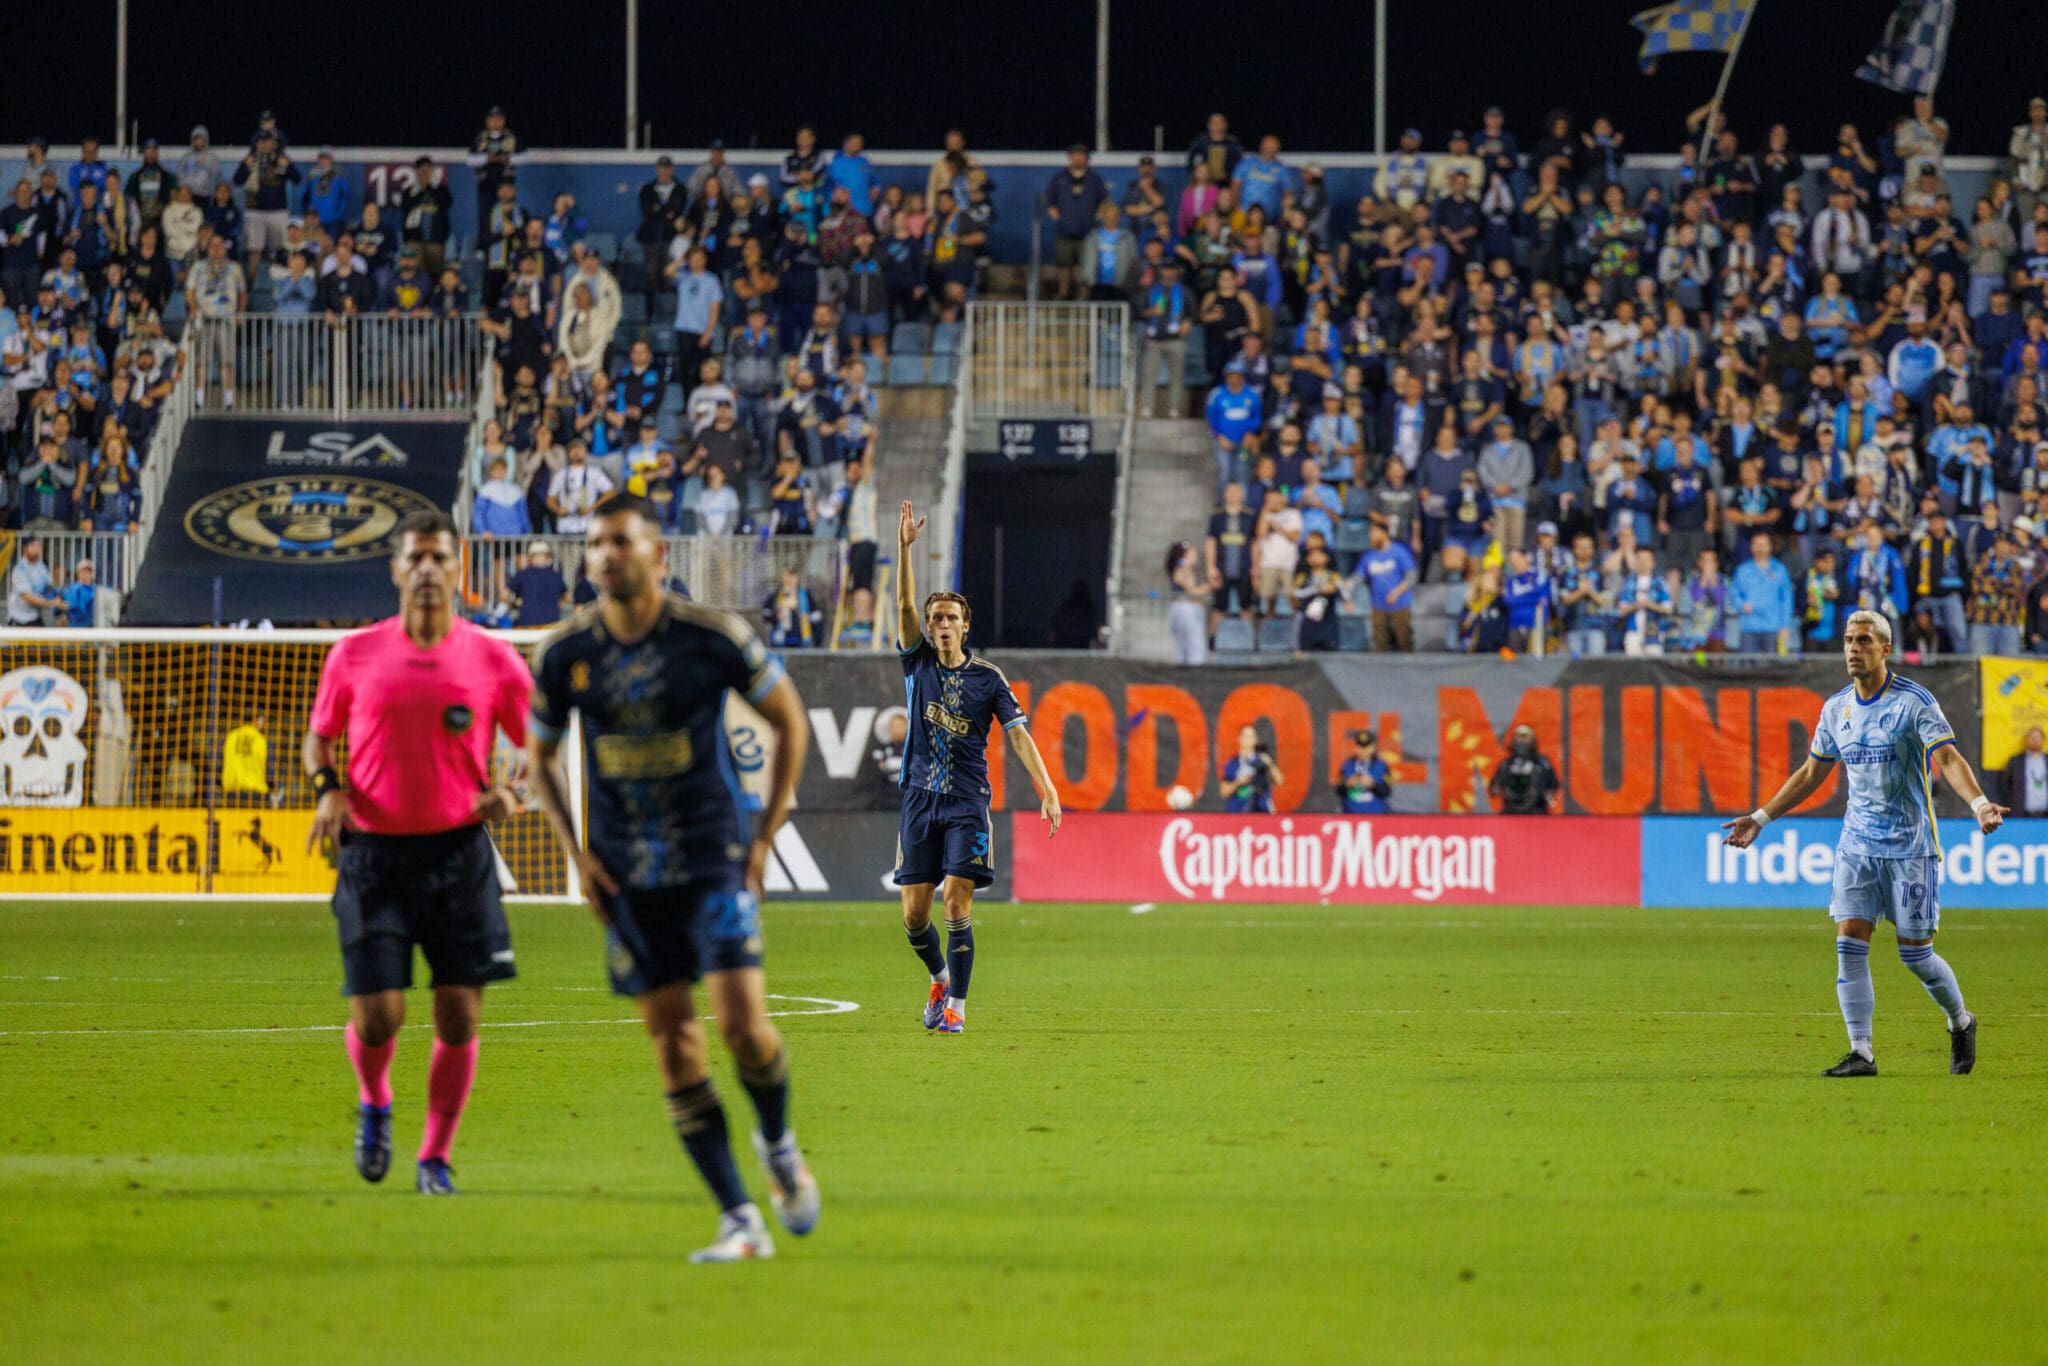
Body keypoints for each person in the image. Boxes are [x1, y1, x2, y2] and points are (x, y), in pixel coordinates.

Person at [526, 492, 820, 1262]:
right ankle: (739, 1218)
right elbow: (539, 757)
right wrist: (577, 854)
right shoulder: (563, 653)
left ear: (657, 554)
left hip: (711, 857)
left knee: (743, 1029)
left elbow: (790, 721)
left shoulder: (712, 638)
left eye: (620, 541)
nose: (605, 554)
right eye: (595, 543)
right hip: (627, 874)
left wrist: (764, 837)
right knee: (674, 1046)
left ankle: (778, 1141)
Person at [303, 510, 534, 1196]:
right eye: (417, 558)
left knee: (459, 1012)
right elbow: (319, 738)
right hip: (372, 856)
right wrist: (327, 791)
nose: (428, 568)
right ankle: (375, 1101)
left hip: (459, 855)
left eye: (440, 558)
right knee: (378, 1017)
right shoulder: (353, 655)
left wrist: (514, 792)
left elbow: (540, 745)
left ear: (458, 569)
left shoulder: (493, 658)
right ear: (397, 570)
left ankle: (434, 1157)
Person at [1722, 610, 2001, 1077]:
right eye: (1849, 640)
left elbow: (1948, 757)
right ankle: (1861, 1051)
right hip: (1856, 845)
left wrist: (1979, 804)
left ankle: (1960, 1020)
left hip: (1910, 847)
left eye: (1865, 640)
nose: (1854, 648)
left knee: (1916, 956)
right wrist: (1760, 818)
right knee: (1849, 941)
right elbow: (1811, 773)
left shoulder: (1913, 702)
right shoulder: (1836, 709)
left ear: (1885, 648)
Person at [894, 500, 1062, 1035]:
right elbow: (902, 603)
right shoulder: (917, 663)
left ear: (965, 626)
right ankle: (939, 978)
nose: (942, 623)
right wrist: (904, 550)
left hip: (968, 802)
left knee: (954, 902)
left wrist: (1047, 788)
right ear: (927, 627)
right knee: (913, 916)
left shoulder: (989, 678)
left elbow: (1019, 736)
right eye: (936, 618)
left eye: (951, 618)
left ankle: (957, 1009)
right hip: (919, 799)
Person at [1488, 724, 1559, 814]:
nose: (1521, 740)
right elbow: (1494, 788)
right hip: (1510, 811)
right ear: (1513, 739)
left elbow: (1553, 786)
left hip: (1537, 811)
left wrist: (1546, 796)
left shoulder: (1543, 763)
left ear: (1532, 739)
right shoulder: (1505, 764)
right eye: (1519, 737)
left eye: (1525, 737)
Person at [1221, 724, 1281, 813]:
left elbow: (1279, 780)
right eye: (1245, 735)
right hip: (1237, 812)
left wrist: (1270, 764)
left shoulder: (1262, 760)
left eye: (1250, 736)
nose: (1247, 739)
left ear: (1256, 740)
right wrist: (1238, 782)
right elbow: (1223, 792)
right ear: (1239, 739)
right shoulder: (1232, 763)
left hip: (1260, 812)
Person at [1335, 729, 1393, 814]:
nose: (1363, 750)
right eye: (1360, 747)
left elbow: (1387, 792)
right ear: (1355, 747)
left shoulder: (1382, 766)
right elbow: (1339, 791)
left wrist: (1373, 785)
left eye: (1366, 747)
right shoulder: (1347, 765)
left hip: (1377, 815)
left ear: (1373, 747)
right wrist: (1347, 785)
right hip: (1350, 815)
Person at [6, 537, 59, 626]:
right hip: (19, 619)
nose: (37, 548)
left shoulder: (41, 567)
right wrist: (51, 603)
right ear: (25, 549)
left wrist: (58, 598)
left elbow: (50, 587)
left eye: (38, 545)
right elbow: (28, 598)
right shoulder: (20, 569)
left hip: (36, 617)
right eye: (33, 545)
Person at [221, 712, 269, 806]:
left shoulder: (231, 736)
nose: (263, 723)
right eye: (262, 719)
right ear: (255, 720)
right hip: (255, 794)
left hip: (231, 793)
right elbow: (269, 768)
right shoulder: (260, 739)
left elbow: (221, 764)